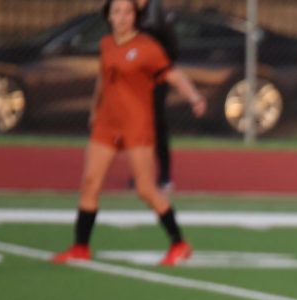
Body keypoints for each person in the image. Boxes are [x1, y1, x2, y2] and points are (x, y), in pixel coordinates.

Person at [51, 0, 206, 267]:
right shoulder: (107, 44)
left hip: (136, 124)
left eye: (127, 12)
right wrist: (94, 110)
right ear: (108, 17)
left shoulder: (147, 47)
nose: (122, 17)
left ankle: (179, 243)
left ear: (135, 17)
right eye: (117, 12)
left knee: (146, 189)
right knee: (90, 184)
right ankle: (80, 247)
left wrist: (194, 98)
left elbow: (173, 75)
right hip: (107, 125)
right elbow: (103, 79)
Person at [137, 0, 179, 190]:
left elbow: (173, 50)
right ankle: (140, 172)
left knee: (157, 125)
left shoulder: (158, 14)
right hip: (134, 82)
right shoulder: (128, 11)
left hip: (156, 81)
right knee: (137, 127)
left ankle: (164, 175)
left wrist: (156, 66)